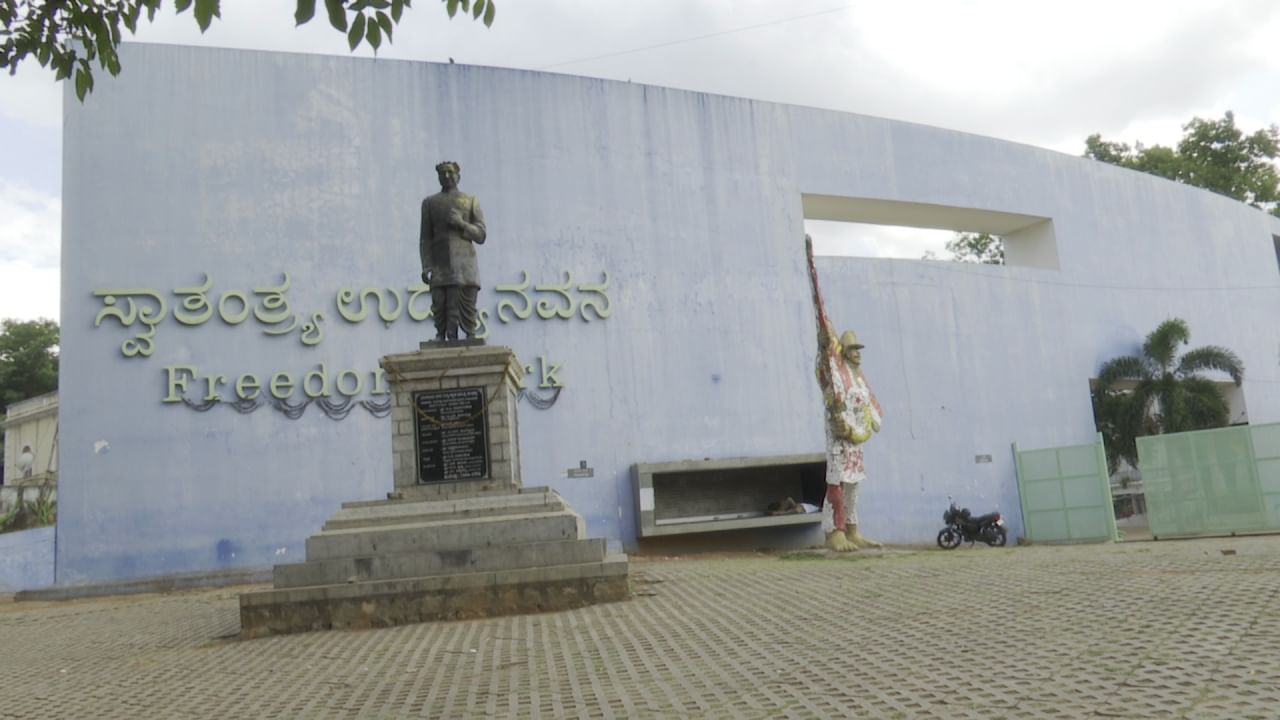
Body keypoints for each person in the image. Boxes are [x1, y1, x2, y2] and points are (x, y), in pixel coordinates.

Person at [804, 234, 883, 552]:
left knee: (854, 487)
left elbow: (875, 413)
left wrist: (866, 425)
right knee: (836, 484)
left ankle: (852, 529)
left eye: (859, 350)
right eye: (852, 349)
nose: (857, 354)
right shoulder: (834, 372)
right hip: (839, 440)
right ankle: (833, 531)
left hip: (856, 442)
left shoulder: (858, 378)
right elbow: (824, 332)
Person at [420, 160, 487, 340]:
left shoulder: (470, 201)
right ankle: (441, 337)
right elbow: (425, 238)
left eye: (450, 172)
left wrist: (461, 223)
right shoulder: (429, 203)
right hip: (440, 266)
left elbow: (481, 235)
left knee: (464, 308)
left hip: (465, 266)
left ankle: (469, 336)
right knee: (440, 305)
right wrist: (426, 265)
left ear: (458, 175)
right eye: (443, 173)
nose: (447, 176)